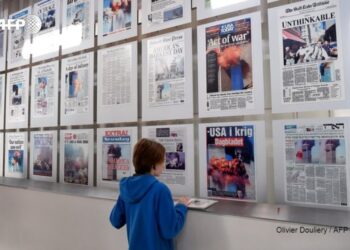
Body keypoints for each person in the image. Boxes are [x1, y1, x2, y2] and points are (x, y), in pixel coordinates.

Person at [110, 138, 190, 250]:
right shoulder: (160, 190)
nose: (164, 165)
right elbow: (170, 230)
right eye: (162, 161)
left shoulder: (127, 188)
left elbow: (115, 220)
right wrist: (181, 207)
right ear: (153, 165)